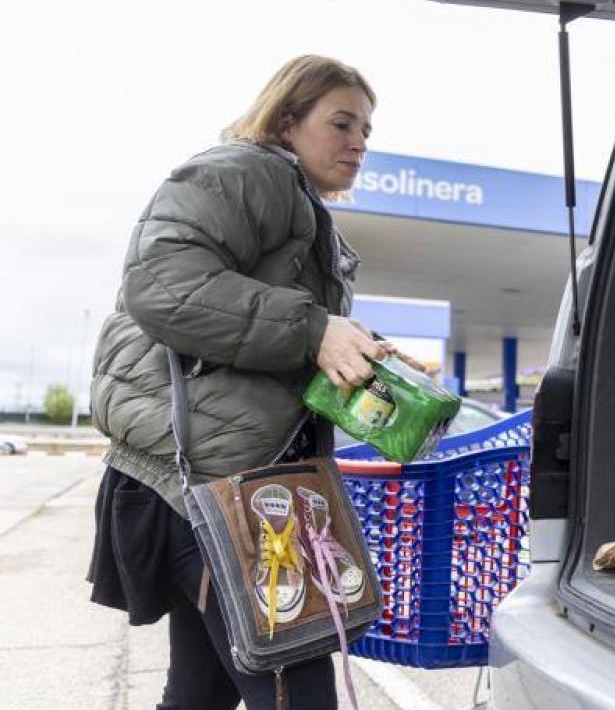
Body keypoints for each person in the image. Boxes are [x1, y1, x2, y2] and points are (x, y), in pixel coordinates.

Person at [87, 55, 390, 710]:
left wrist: (348, 348)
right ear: (286, 120)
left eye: (367, 129)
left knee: (199, 695)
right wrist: (314, 331)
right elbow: (161, 283)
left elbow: (259, 332)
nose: (359, 142)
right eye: (341, 123)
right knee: (295, 691)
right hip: (206, 487)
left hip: (221, 485)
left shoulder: (301, 207)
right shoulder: (248, 171)